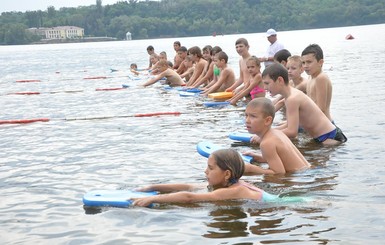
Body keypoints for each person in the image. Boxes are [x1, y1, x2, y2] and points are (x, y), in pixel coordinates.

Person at [131, 149, 277, 207]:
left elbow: (190, 197)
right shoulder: (231, 184)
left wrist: (154, 199)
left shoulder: (235, 191)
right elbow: (188, 187)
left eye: (211, 168)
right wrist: (153, 187)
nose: (205, 171)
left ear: (227, 174)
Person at [258, 63, 347, 145]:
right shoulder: (291, 95)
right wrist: (263, 130)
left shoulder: (292, 99)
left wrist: (266, 134)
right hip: (327, 136)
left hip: (330, 137)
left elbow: (292, 132)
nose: (265, 88)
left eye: (267, 83)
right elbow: (280, 107)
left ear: (280, 80)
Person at [242, 97, 310, 175]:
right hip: (307, 171)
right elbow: (284, 159)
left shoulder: (266, 143)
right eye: (246, 115)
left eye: (253, 116)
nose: (247, 120)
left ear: (267, 120)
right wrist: (259, 157)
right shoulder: (277, 133)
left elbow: (278, 173)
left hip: (300, 177)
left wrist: (251, 168)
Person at [301, 44, 333, 121]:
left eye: (309, 62)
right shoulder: (310, 77)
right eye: (303, 62)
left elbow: (321, 109)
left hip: (325, 127)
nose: (305, 66)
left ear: (320, 62)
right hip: (315, 124)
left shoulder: (321, 78)